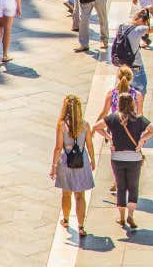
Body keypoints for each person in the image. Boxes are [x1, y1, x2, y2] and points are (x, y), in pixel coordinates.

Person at [93, 92, 153, 230]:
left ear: (119, 104)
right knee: (133, 187)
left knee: (121, 187)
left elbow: (96, 127)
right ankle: (131, 215)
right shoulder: (139, 119)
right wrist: (142, 139)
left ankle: (121, 217)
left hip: (117, 157)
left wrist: (109, 137)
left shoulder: (113, 118)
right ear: (132, 103)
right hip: (134, 158)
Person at [49, 94, 95, 238]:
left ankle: (66, 219)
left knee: (66, 193)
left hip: (66, 162)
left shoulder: (62, 125)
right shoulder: (85, 125)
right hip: (82, 162)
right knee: (80, 196)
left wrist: (54, 166)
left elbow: (58, 148)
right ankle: (81, 226)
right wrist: (93, 160)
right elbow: (89, 145)